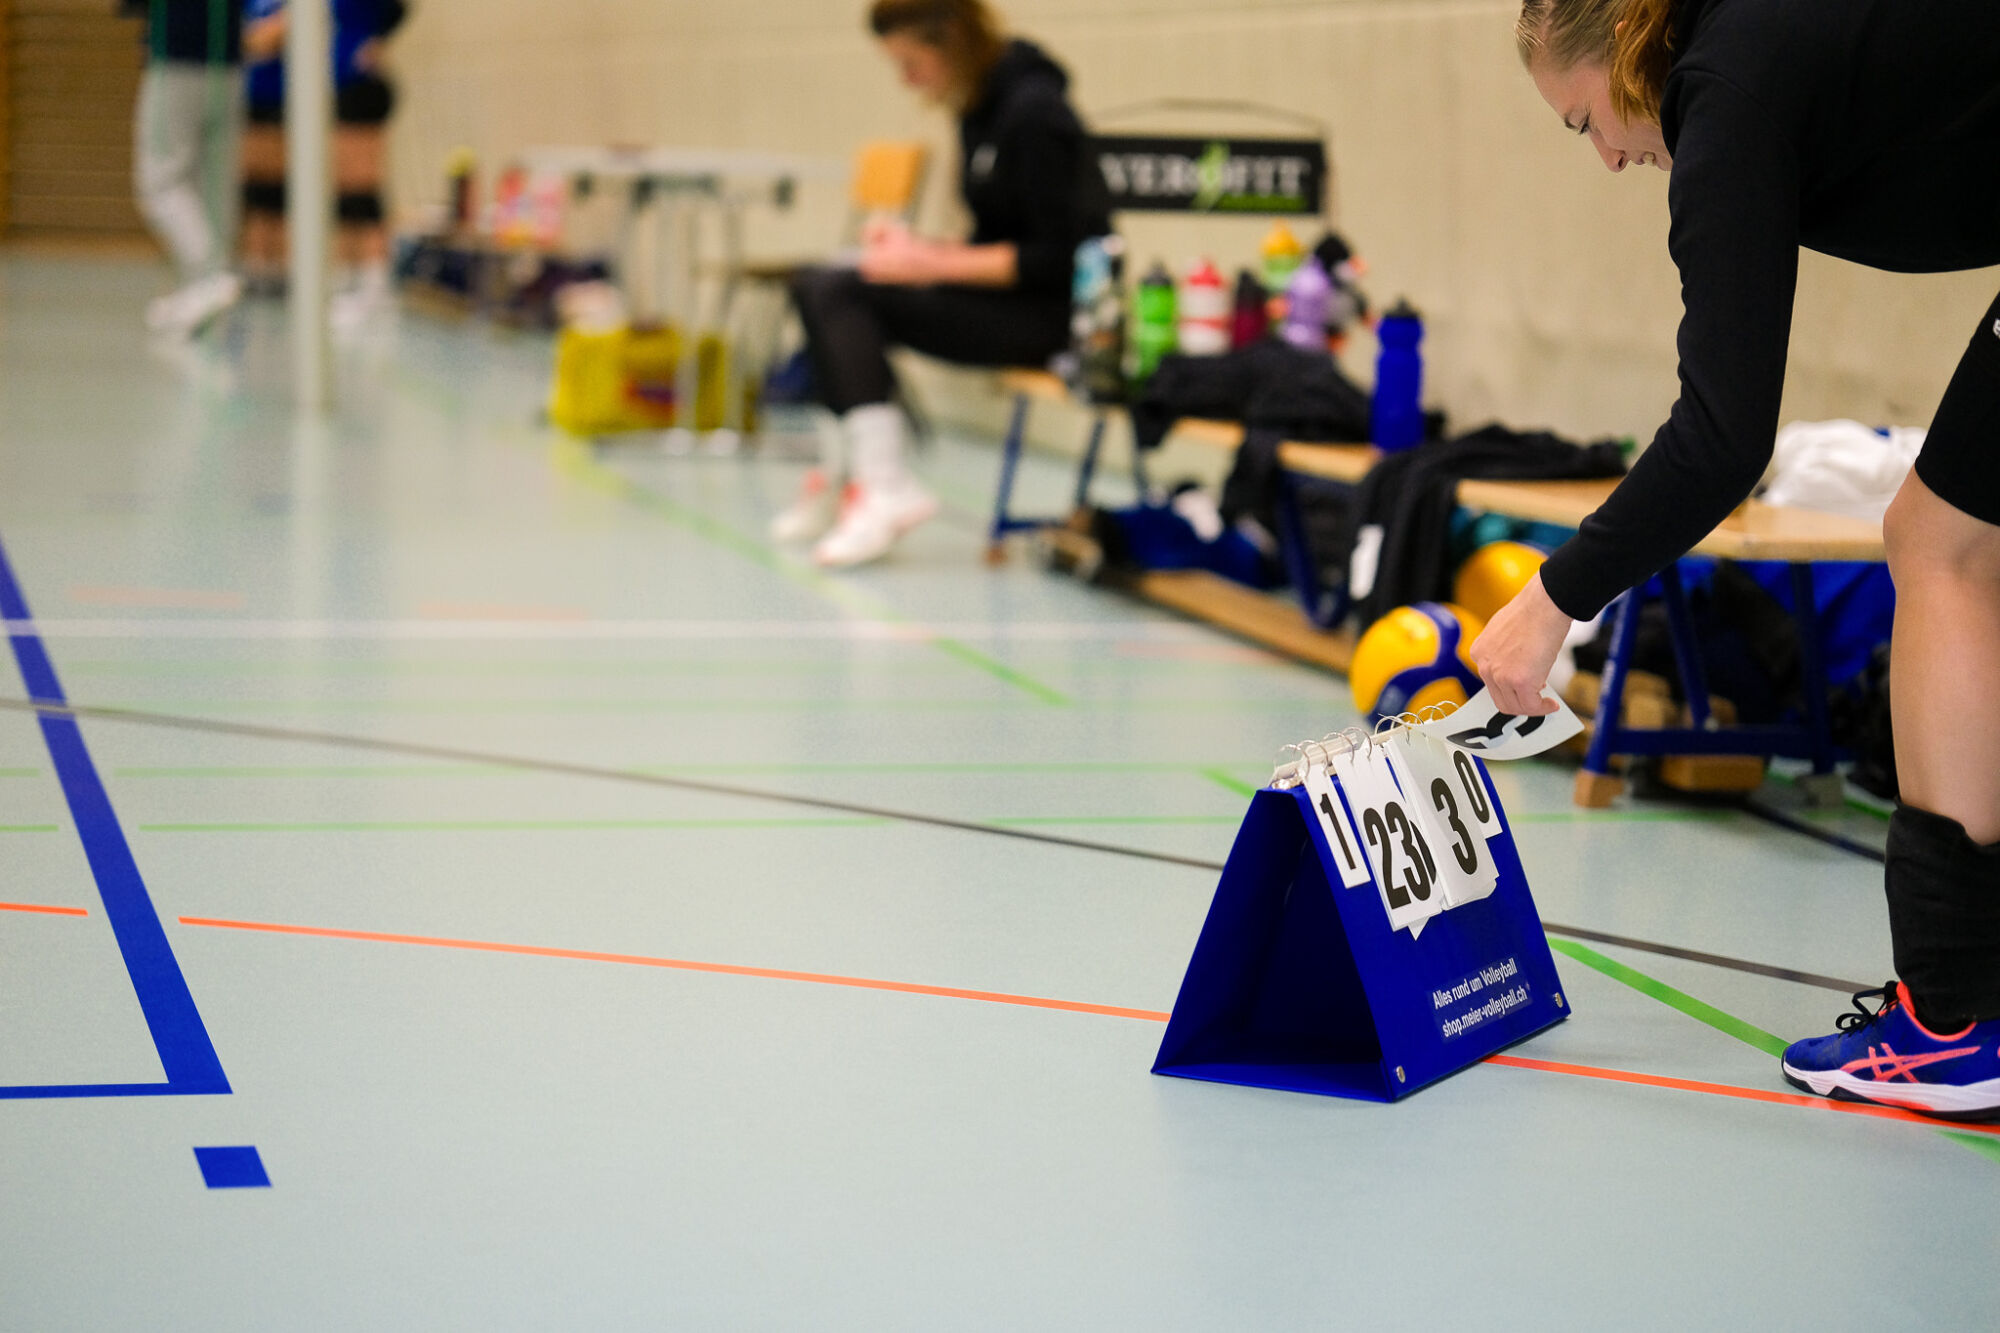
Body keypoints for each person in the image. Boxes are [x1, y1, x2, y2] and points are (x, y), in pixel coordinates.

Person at [1483, 0, 2000, 1119]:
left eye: (1582, 123)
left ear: (1624, 51)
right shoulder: (1756, 38)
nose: (1606, 157)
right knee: (1941, 535)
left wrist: (1551, 597)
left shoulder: (1721, 91)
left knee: (1941, 545)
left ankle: (1953, 1022)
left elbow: (1720, 439)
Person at [776, 0, 1111, 567]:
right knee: (817, 282)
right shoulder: (980, 109)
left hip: (1056, 319)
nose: (906, 81)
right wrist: (918, 250)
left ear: (951, 38)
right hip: (1003, 299)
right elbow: (992, 239)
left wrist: (928, 265)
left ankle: (885, 486)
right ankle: (849, 473)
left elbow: (1058, 260)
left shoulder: (1035, 114)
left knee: (841, 293)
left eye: (911, 64)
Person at [128, 0, 247, 335]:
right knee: (212, 181)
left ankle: (209, 276)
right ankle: (201, 286)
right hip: (230, 67)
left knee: (159, 183)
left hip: (176, 59)